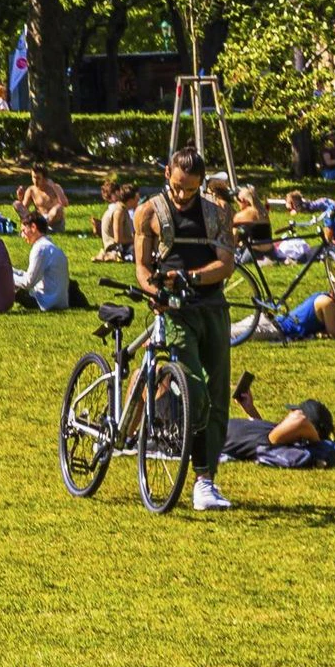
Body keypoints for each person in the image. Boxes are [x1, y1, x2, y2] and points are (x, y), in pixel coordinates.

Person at [134, 147, 242, 512]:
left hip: (212, 308)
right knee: (193, 386)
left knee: (217, 392)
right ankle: (191, 463)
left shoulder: (218, 212)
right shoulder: (149, 211)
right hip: (176, 312)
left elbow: (226, 264)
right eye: (178, 187)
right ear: (168, 174)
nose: (182, 196)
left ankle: (205, 480)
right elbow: (142, 269)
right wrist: (156, 291)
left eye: (191, 190)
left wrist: (191, 276)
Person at [223, 393, 335, 468]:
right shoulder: (276, 438)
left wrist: (316, 442)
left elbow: (299, 420)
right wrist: (250, 408)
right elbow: (259, 436)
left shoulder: (279, 445)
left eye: (293, 411)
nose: (289, 415)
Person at [232, 279, 335, 344]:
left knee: (225, 331)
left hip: (270, 322)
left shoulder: (323, 297)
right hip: (273, 329)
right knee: (226, 335)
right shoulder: (327, 303)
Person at [13, 211, 71, 312]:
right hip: (61, 301)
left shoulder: (40, 249)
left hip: (45, 302)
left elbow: (28, 283)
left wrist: (8, 277)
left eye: (23, 230)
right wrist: (13, 271)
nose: (22, 235)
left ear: (33, 227)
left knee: (6, 284)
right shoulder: (51, 247)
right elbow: (33, 276)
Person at [13, 165, 69, 234]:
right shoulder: (31, 190)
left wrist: (54, 186)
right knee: (17, 204)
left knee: (59, 208)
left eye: (38, 178)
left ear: (45, 178)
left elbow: (65, 204)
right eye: (33, 177)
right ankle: (33, 227)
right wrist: (20, 197)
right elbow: (24, 209)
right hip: (39, 219)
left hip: (53, 224)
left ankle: (39, 228)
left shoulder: (55, 187)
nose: (35, 181)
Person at [95, 182, 140, 262]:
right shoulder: (119, 212)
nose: (138, 203)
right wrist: (136, 239)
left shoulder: (123, 209)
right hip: (115, 247)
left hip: (123, 246)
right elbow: (118, 240)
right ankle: (111, 256)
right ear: (130, 201)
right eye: (137, 200)